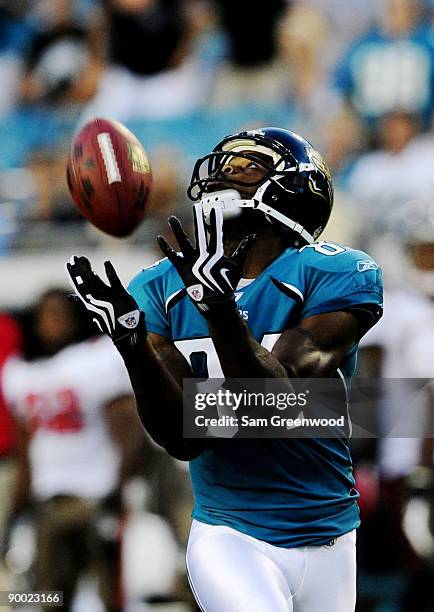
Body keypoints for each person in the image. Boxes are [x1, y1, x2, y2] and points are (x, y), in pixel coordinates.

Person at [66, 127, 383, 611]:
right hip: (228, 531)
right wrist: (134, 347)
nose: (222, 170)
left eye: (246, 164)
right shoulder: (159, 286)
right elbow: (181, 438)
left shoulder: (334, 271)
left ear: (295, 188)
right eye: (222, 161)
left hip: (329, 531)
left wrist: (220, 312)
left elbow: (279, 401)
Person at [1, 288, 142, 612]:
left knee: (109, 596)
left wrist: (120, 486)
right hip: (50, 498)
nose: (51, 322)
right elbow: (25, 448)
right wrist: (17, 507)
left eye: (59, 314)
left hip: (97, 494)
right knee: (48, 595)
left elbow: (128, 427)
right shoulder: (22, 372)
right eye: (45, 315)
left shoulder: (95, 358)